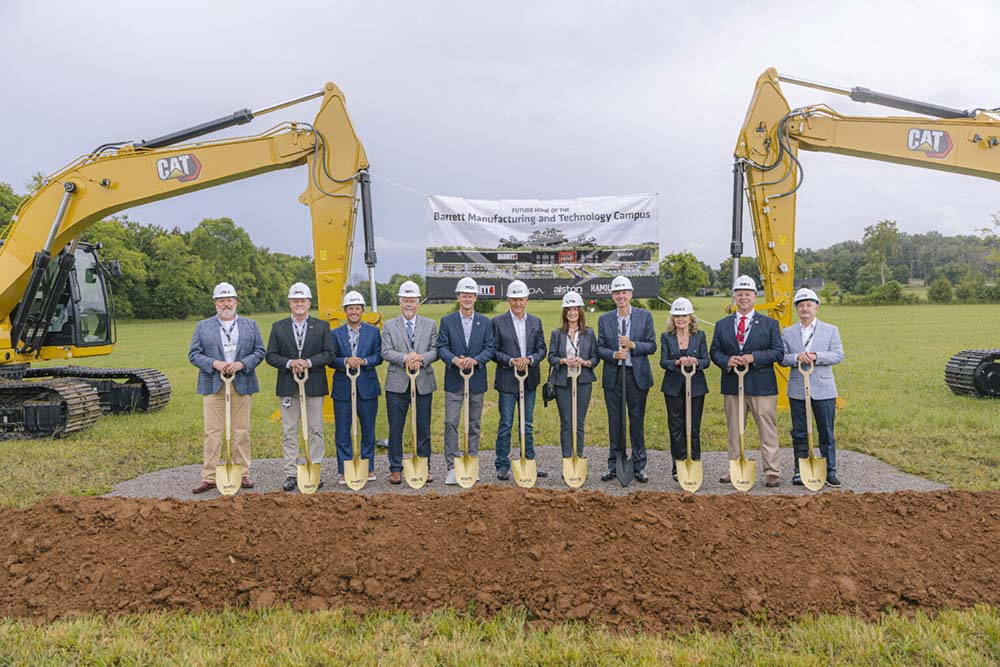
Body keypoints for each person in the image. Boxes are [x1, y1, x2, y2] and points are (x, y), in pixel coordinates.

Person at [187, 282, 265, 494]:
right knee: (212, 432)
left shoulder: (251, 325)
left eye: (229, 299)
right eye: (221, 300)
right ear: (215, 303)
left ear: (236, 301)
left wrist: (242, 364)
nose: (225, 304)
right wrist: (215, 364)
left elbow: (260, 351)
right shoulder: (203, 326)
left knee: (242, 431)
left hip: (241, 383)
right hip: (213, 384)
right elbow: (194, 354)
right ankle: (209, 476)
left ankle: (243, 473)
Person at [710, 275, 784, 488]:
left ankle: (772, 471)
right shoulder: (722, 325)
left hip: (762, 385)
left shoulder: (770, 324)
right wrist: (727, 360)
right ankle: (735, 466)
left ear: (754, 296)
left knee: (767, 428)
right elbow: (714, 351)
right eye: (739, 294)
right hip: (733, 384)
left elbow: (778, 352)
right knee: (734, 428)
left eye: (747, 294)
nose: (743, 298)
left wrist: (755, 357)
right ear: (734, 297)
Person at [265, 282, 335, 492]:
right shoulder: (279, 327)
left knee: (315, 429)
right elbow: (271, 356)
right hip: (288, 386)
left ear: (309, 302)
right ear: (290, 303)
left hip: (313, 385)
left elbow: (329, 354)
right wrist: (290, 363)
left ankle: (314, 469)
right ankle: (291, 473)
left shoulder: (322, 326)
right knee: (289, 430)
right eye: (295, 301)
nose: (299, 304)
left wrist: (308, 362)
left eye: (302, 300)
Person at [781, 288, 845, 487]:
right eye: (801, 306)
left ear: (816, 307)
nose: (805, 309)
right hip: (798, 388)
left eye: (809, 305)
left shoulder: (830, 330)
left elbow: (837, 355)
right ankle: (800, 469)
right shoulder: (788, 332)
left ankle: (830, 470)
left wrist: (816, 356)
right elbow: (782, 358)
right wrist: (795, 358)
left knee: (826, 431)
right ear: (797, 309)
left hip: (823, 388)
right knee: (799, 431)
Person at [596, 276, 657, 483]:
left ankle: (639, 466)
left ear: (630, 294)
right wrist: (613, 355)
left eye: (624, 293)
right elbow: (599, 348)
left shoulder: (644, 316)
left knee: (636, 421)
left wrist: (633, 345)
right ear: (613, 296)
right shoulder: (605, 319)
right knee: (615, 422)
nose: (621, 296)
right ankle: (615, 464)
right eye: (617, 293)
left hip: (636, 376)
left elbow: (652, 345)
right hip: (614, 377)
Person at [437, 276, 495, 485]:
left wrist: (475, 360)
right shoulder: (447, 321)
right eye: (464, 295)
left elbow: (490, 348)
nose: (467, 299)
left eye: (470, 295)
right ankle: (452, 466)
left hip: (476, 380)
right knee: (451, 422)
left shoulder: (486, 322)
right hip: (455, 380)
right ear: (458, 296)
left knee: (474, 423)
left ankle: (471, 462)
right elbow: (441, 347)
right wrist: (455, 360)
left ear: (476, 297)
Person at [381, 280, 439, 484]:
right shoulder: (389, 325)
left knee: (423, 427)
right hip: (397, 384)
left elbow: (435, 350)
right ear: (400, 302)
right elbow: (386, 351)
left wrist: (420, 358)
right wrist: (406, 358)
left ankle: (424, 466)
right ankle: (395, 468)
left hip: (423, 382)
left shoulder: (430, 324)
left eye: (412, 300)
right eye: (405, 300)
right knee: (396, 427)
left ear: (418, 303)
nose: (408, 304)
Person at [492, 280, 547, 481]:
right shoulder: (498, 322)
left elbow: (542, 349)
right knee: (506, 422)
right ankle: (502, 464)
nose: (518, 303)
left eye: (521, 299)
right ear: (508, 300)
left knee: (528, 424)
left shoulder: (535, 322)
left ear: (527, 300)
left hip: (529, 380)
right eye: (514, 299)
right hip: (508, 379)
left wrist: (529, 360)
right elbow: (493, 351)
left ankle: (529, 461)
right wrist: (511, 360)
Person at [330, 290, 382, 483]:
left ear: (362, 310)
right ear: (345, 311)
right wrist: (345, 361)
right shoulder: (335, 334)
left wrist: (364, 361)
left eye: (357, 308)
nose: (354, 311)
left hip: (367, 387)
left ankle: (367, 467)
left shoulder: (373, 332)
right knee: (343, 429)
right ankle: (345, 469)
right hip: (343, 387)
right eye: (350, 308)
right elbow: (330, 358)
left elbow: (379, 356)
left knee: (368, 428)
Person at [659, 297, 710, 482]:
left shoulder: (700, 336)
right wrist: (677, 362)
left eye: (684, 315)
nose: (680, 319)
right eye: (677, 316)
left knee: (693, 426)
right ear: (672, 318)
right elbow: (663, 362)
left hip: (696, 387)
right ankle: (678, 464)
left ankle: (694, 461)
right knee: (676, 427)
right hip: (673, 387)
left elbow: (707, 361)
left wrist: (696, 362)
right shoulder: (666, 337)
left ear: (691, 317)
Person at [548, 291, 599, 461]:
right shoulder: (557, 334)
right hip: (563, 382)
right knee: (566, 423)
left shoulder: (589, 333)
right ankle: (567, 458)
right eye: (569, 309)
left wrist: (584, 362)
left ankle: (579, 456)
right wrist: (563, 361)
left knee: (579, 422)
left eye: (575, 309)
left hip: (583, 381)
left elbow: (595, 358)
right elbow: (551, 357)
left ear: (580, 312)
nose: (572, 312)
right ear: (564, 312)